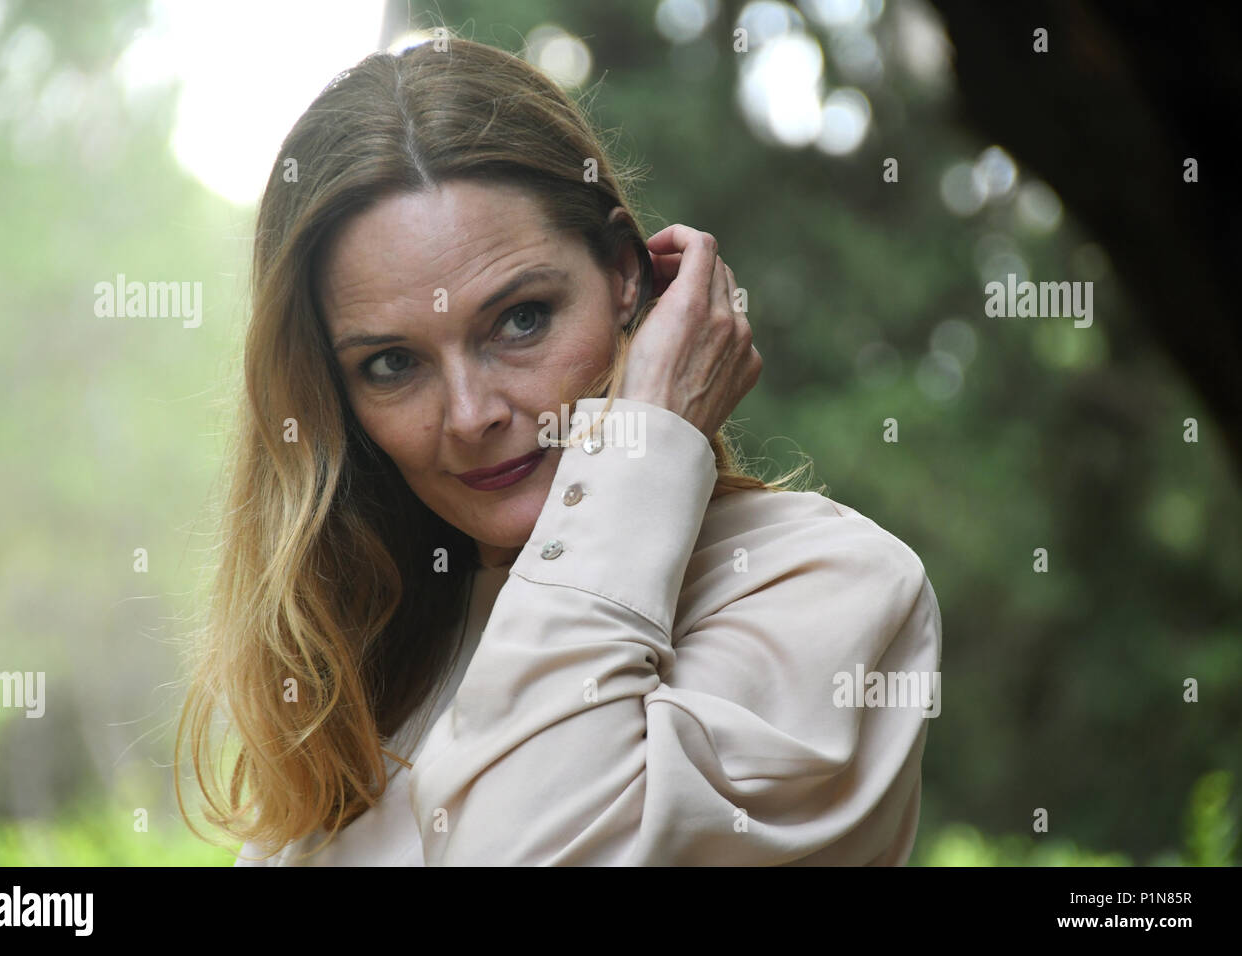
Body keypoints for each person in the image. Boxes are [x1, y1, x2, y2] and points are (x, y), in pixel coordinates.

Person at [174, 33, 942, 866]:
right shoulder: (363, 686)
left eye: (521, 319)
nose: (470, 415)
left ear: (625, 274)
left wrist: (649, 443)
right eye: (392, 364)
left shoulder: (829, 585)